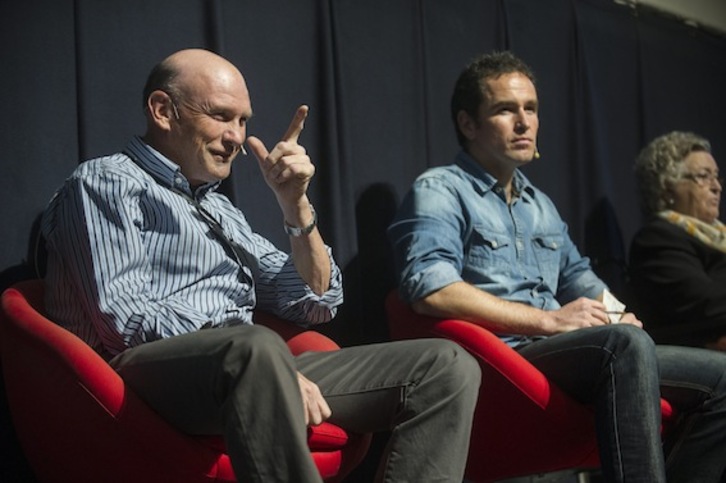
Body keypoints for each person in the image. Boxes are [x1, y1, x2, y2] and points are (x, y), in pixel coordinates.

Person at [41, 48, 481, 482]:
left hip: (248, 364)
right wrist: (261, 358)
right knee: (256, 347)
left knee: (444, 367)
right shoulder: (107, 181)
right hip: (138, 380)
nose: (236, 136)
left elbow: (315, 301)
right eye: (220, 115)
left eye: (243, 120)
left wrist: (295, 207)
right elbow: (124, 318)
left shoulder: (219, 209)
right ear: (162, 110)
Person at [388, 51, 726, 482]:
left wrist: (622, 316)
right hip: (504, 356)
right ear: (468, 123)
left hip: (560, 350)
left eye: (530, 108)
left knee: (720, 377)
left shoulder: (539, 204)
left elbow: (578, 277)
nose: (524, 122)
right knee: (622, 346)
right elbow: (429, 288)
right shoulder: (441, 189)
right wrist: (548, 321)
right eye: (505, 110)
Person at [628, 131, 726, 351]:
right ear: (667, 188)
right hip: (698, 349)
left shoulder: (720, 237)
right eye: (703, 176)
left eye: (716, 176)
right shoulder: (657, 240)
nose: (716, 187)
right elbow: (704, 303)